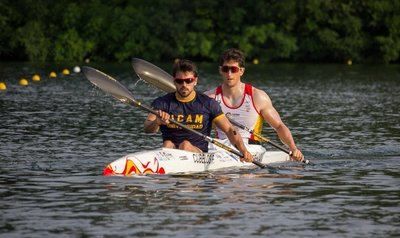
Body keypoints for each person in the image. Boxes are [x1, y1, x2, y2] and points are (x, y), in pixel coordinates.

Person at [144, 59, 253, 162]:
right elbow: (147, 129)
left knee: (185, 145)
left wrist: (243, 151)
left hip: (198, 155)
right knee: (168, 144)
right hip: (168, 152)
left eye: (188, 81)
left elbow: (229, 130)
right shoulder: (162, 103)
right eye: (179, 81)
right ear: (174, 81)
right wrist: (157, 122)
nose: (184, 85)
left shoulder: (207, 103)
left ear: (195, 81)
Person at [205, 48, 304, 161]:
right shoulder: (209, 98)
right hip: (220, 146)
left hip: (251, 147)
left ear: (241, 71)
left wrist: (293, 148)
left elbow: (279, 126)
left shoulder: (257, 97)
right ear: (220, 70)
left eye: (233, 69)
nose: (229, 73)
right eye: (225, 69)